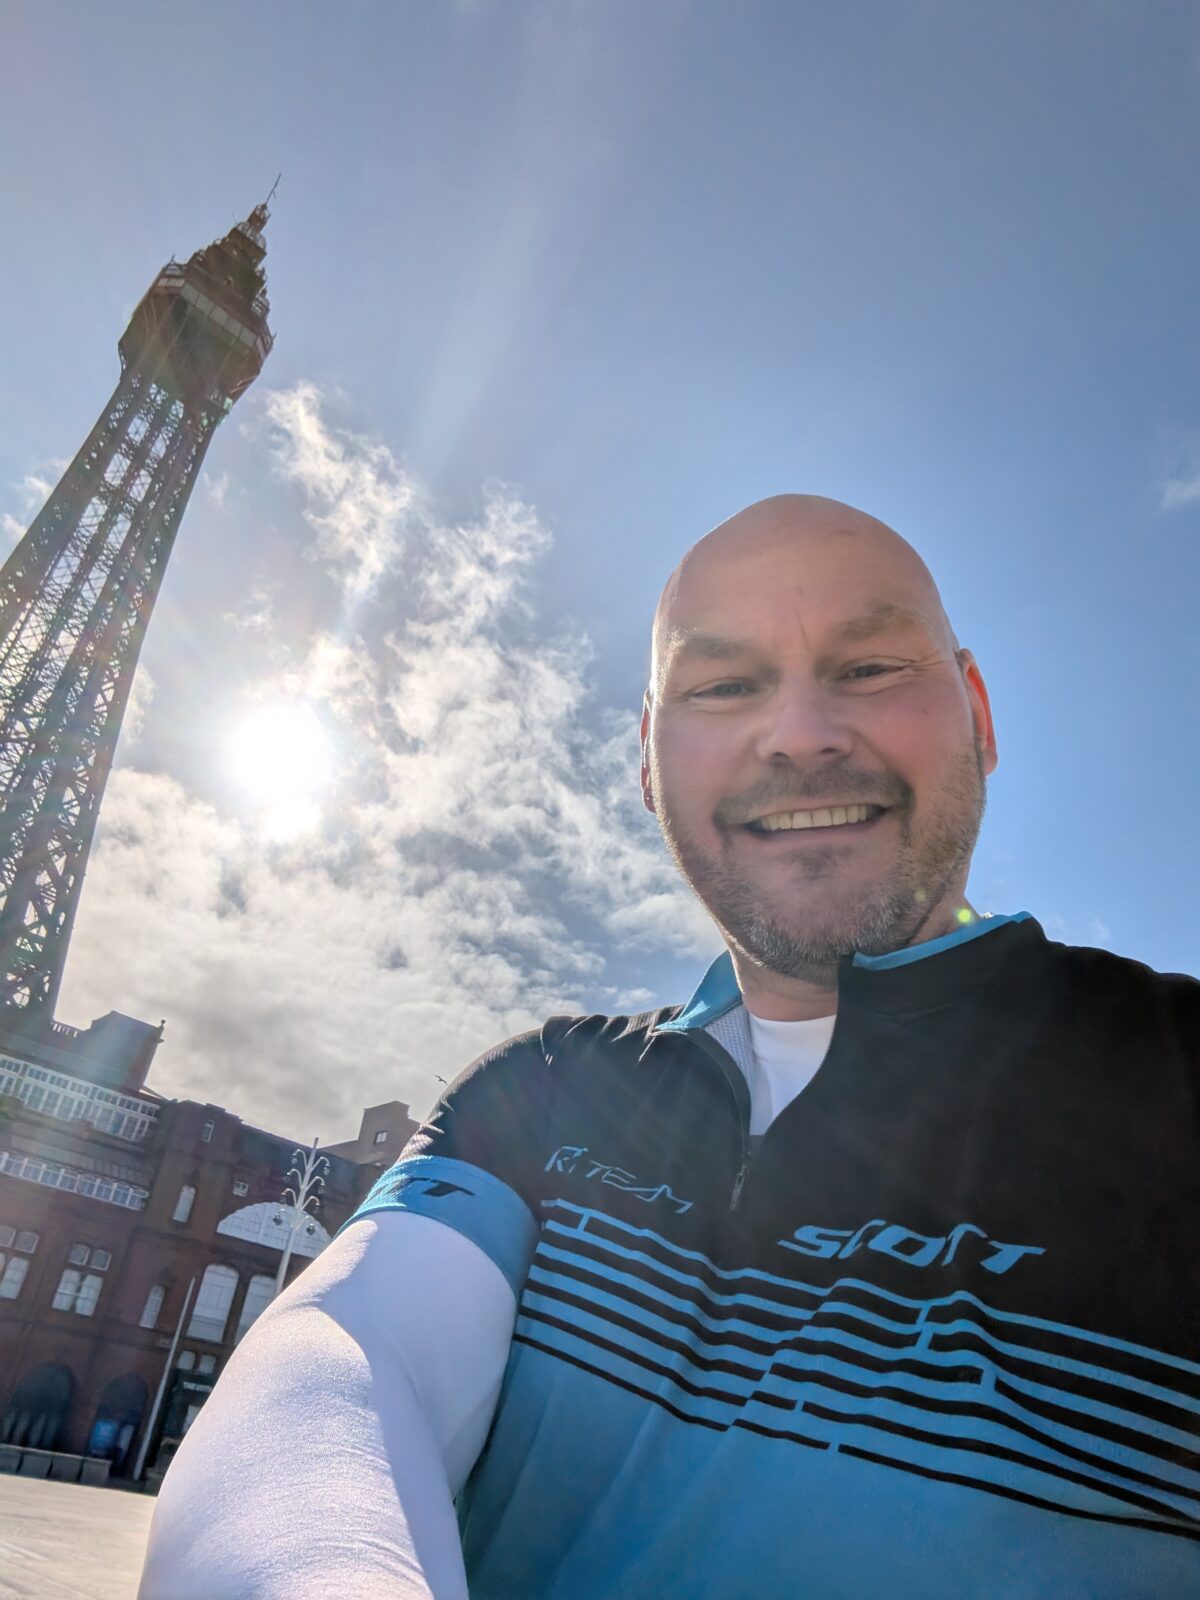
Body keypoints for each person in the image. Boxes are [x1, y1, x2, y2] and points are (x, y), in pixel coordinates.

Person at [139, 496, 1200, 1598]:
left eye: (872, 666)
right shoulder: (544, 1087)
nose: (798, 733)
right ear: (648, 759)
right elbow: (348, 1359)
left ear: (978, 712)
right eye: (723, 686)